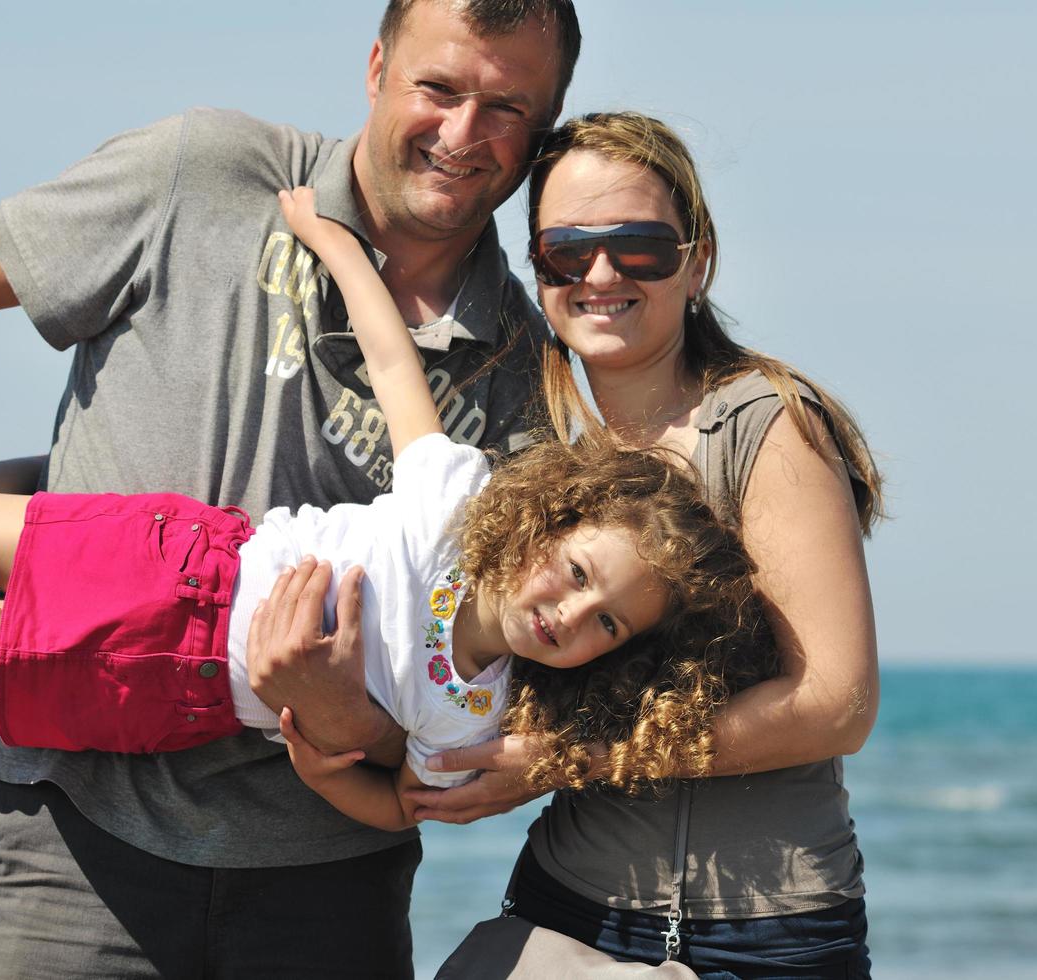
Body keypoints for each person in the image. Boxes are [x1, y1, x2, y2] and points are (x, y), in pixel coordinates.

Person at [0, 1, 581, 974]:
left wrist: (351, 723)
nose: (462, 133)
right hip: (63, 833)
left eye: (507, 106)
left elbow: (471, 703)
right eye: (439, 87)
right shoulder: (203, 171)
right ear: (377, 65)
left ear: (544, 124)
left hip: (329, 884)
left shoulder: (526, 369)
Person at [0, 185, 764, 837]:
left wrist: (319, 766)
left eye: (604, 622)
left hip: (183, 697)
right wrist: (332, 242)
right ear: (554, 523)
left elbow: (400, 811)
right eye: (576, 575)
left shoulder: (478, 714)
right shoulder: (457, 503)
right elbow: (391, 361)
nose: (567, 612)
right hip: (184, 566)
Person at [399, 112, 885, 976]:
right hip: (564, 911)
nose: (600, 273)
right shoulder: (535, 440)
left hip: (760, 934)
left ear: (697, 264)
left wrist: (564, 762)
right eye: (566, 250)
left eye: (640, 247)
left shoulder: (766, 426)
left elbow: (837, 704)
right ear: (538, 267)